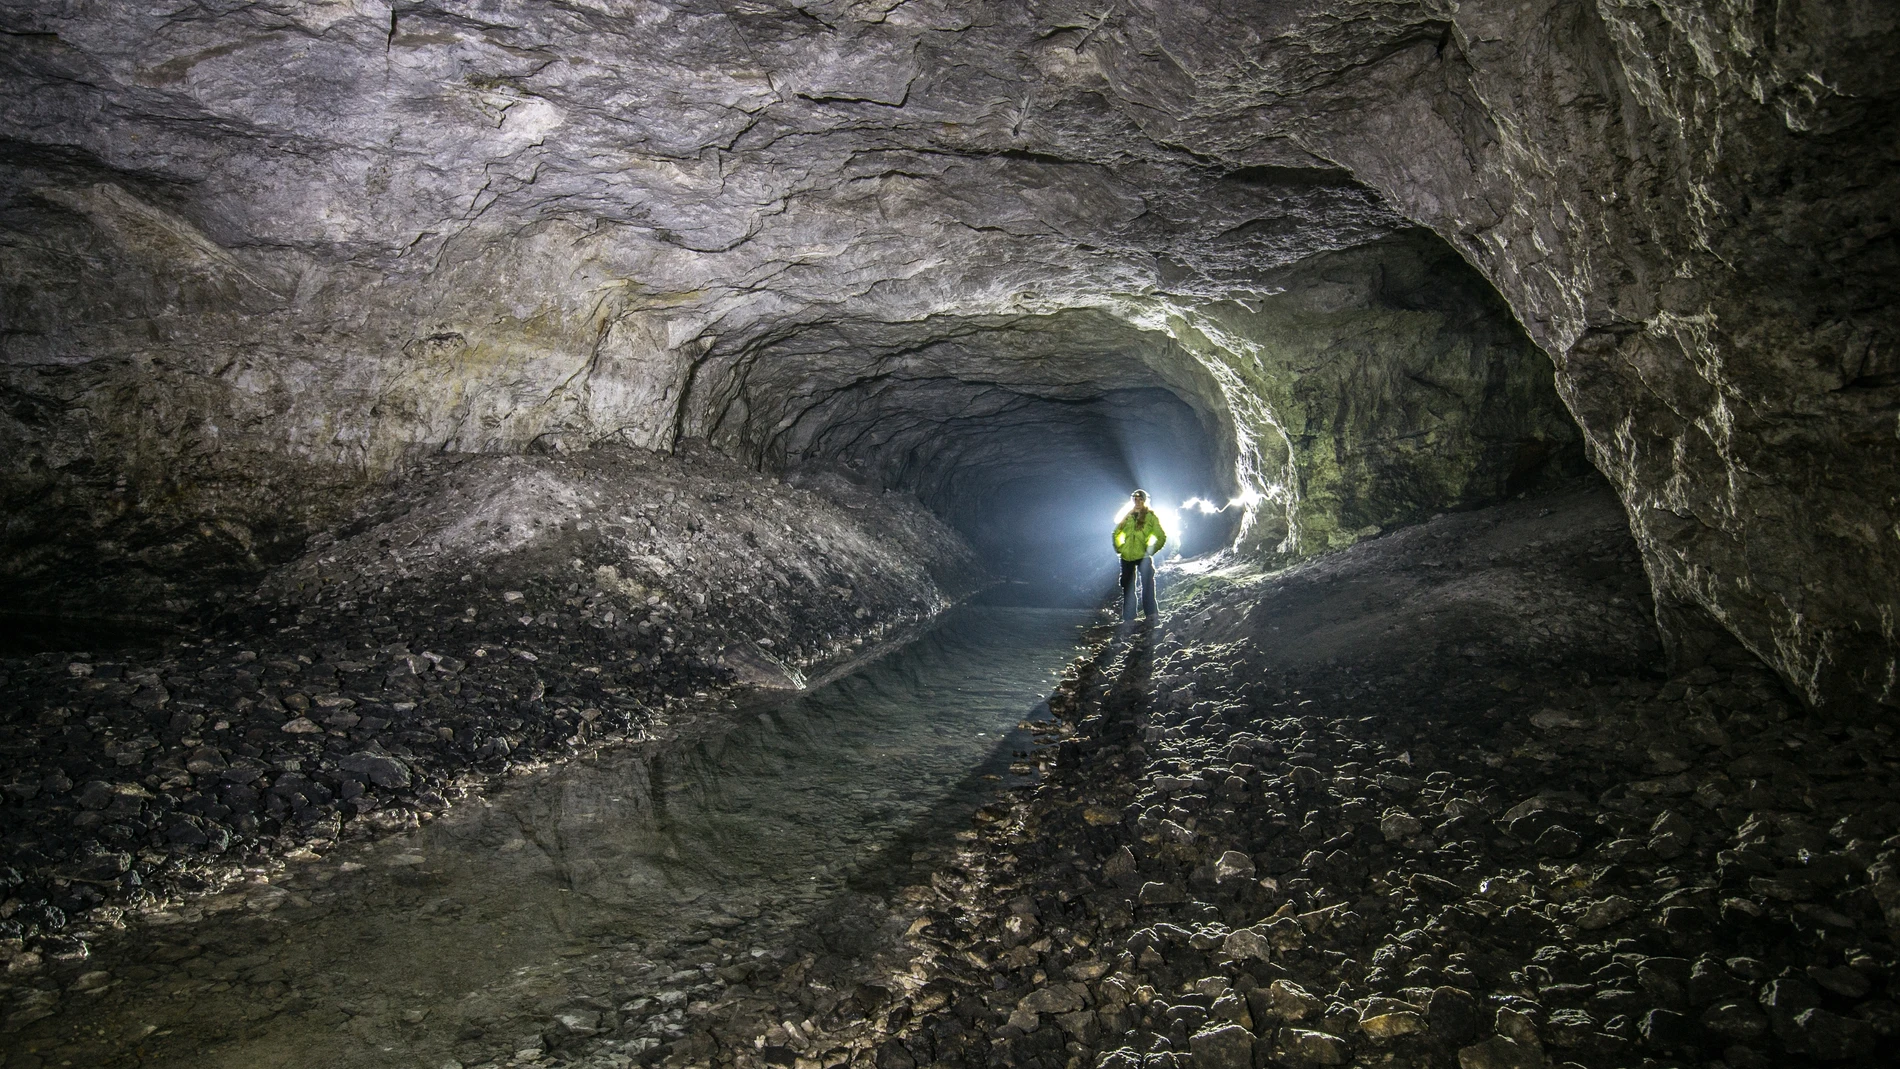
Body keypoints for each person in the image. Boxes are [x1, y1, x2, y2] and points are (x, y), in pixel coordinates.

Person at [1112, 489, 1167, 621]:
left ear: (1144, 500)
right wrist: (1120, 548)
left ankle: (1151, 614)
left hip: (1144, 556)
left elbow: (1161, 536)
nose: (1137, 501)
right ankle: (1129, 617)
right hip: (1127, 557)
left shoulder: (1150, 517)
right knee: (1128, 586)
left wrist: (1150, 551)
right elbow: (1116, 534)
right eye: (1135, 499)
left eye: (1140, 499)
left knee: (1148, 584)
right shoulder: (1128, 517)